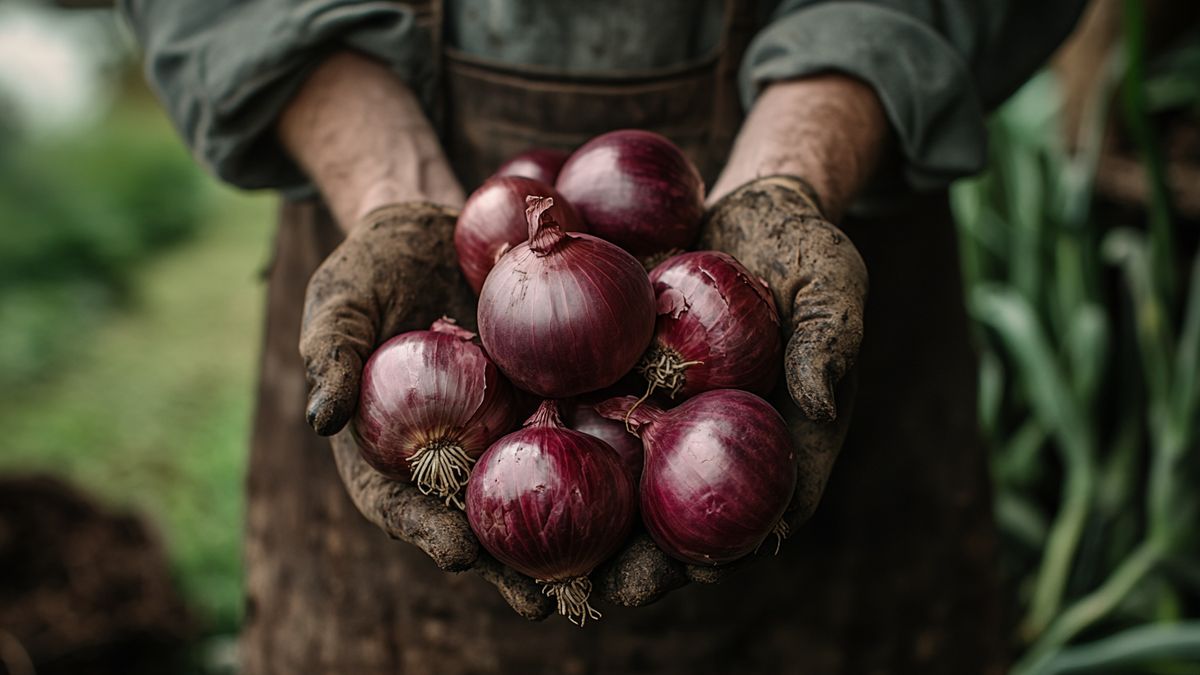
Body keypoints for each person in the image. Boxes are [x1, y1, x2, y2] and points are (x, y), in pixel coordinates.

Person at [120, 1, 1087, 672]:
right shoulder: (505, 315)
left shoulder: (583, 295)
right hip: (373, 223)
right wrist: (385, 185)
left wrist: (796, 167)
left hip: (858, 246)